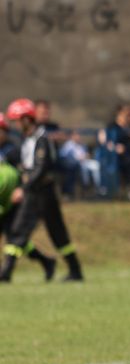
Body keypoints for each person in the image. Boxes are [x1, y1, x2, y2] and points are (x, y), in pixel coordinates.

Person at [1, 108, 83, 283]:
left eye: (17, 120)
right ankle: (72, 270)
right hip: (36, 190)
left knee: (37, 231)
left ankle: (6, 272)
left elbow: (41, 167)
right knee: (32, 230)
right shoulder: (27, 140)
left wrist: (24, 187)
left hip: (41, 191)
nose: (15, 124)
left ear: (26, 120)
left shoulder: (42, 139)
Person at [0, 101, 59, 281]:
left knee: (16, 235)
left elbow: (27, 171)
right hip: (6, 200)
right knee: (16, 237)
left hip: (17, 199)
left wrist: (21, 189)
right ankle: (46, 262)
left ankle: (6, 273)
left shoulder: (13, 149)